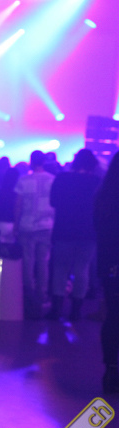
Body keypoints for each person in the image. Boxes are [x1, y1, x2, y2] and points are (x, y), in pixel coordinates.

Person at [48, 149, 101, 321]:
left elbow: (53, 202)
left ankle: (56, 309)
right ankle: (76, 310)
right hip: (88, 231)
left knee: (60, 269)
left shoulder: (62, 178)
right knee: (82, 270)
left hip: (64, 228)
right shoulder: (97, 182)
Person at [14, 151, 55, 318]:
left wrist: (16, 225)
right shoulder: (52, 179)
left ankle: (28, 295)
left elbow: (18, 205)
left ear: (31, 162)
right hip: (46, 225)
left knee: (28, 262)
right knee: (43, 261)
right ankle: (42, 294)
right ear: (44, 162)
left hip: (27, 225)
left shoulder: (24, 180)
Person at [94, 152, 119, 393]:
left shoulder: (103, 197)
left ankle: (112, 369)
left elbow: (99, 232)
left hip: (110, 264)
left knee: (113, 317)